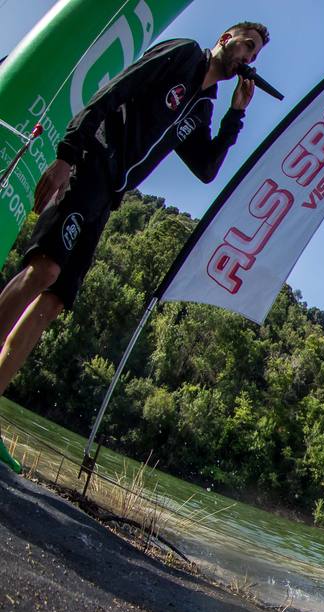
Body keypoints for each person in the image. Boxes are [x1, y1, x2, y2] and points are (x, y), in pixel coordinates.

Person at [0, 22, 269, 473]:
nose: (249, 57)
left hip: (111, 194)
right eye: (247, 45)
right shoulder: (183, 54)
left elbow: (206, 168)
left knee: (55, 300)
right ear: (225, 38)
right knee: (43, 270)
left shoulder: (204, 105)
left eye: (256, 54)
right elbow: (116, 91)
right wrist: (68, 153)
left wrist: (235, 115)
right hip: (91, 163)